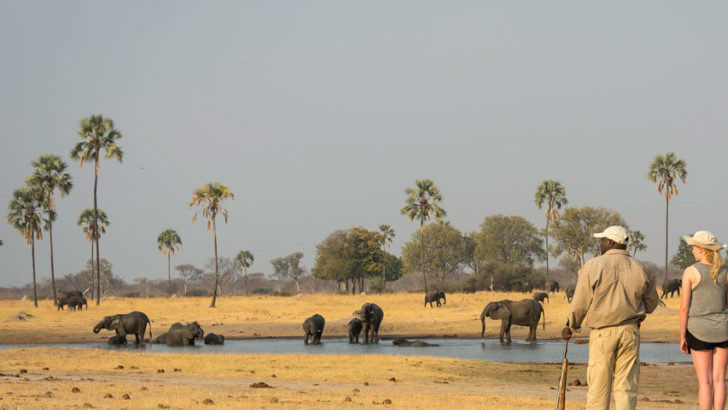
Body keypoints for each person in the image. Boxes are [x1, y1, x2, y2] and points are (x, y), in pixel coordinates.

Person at [562, 226, 659, 410]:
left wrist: (571, 325)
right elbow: (652, 303)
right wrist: (637, 311)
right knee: (626, 387)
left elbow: (581, 301)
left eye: (602, 240)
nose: (600, 244)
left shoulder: (594, 265)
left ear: (611, 242)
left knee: (599, 388)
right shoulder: (641, 267)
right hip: (630, 332)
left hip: (602, 334)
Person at [679, 231, 728, 410]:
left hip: (698, 331)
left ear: (701, 249)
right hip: (723, 329)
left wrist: (682, 336)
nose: (692, 251)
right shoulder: (725, 271)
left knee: (705, 382)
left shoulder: (691, 272)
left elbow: (684, 308)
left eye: (693, 248)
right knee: (719, 379)